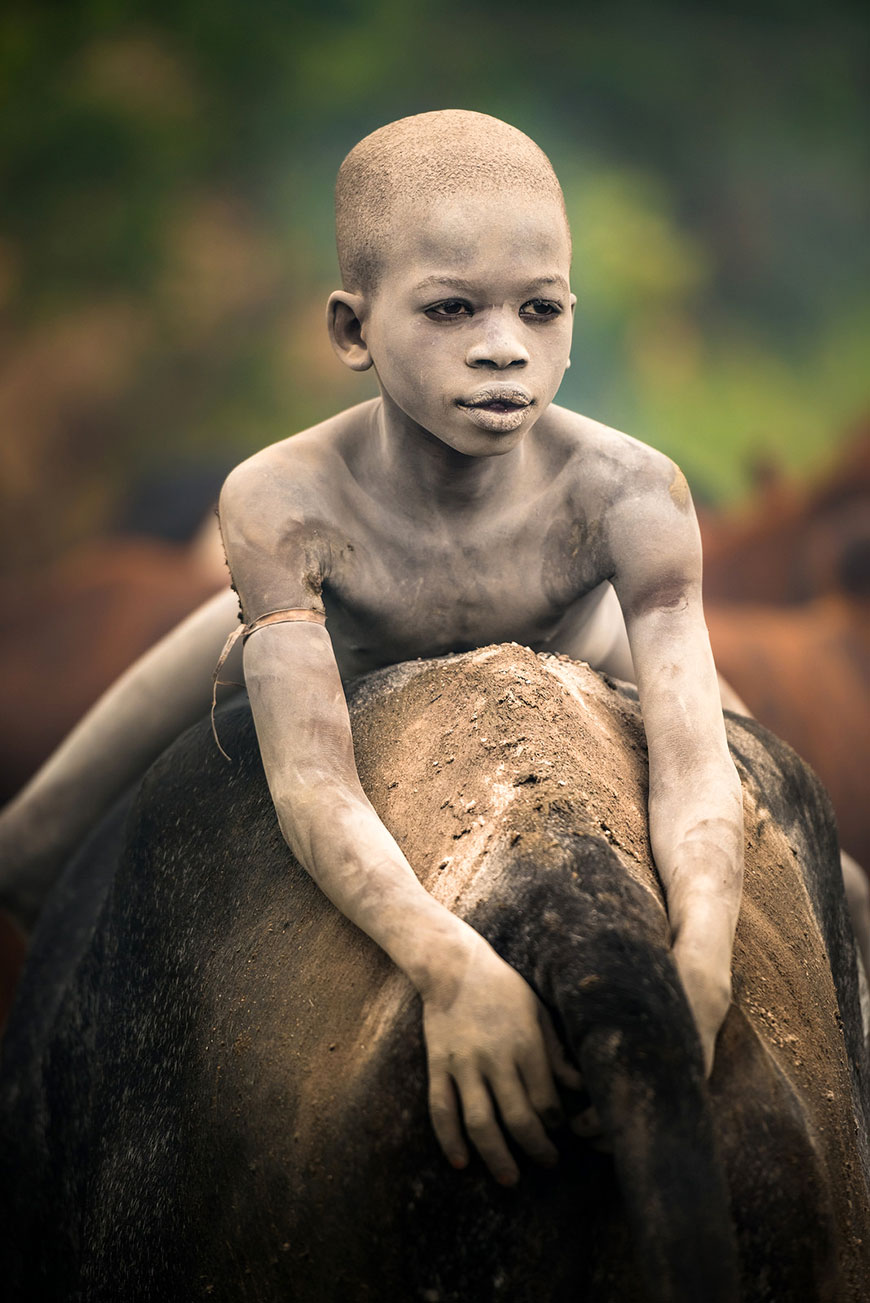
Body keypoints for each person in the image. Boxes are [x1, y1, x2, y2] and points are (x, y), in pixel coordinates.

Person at [0, 108, 791, 1187]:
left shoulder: (631, 490)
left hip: (581, 640)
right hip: (322, 642)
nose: (504, 344)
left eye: (539, 308)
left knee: (837, 881)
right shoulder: (280, 500)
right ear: (352, 329)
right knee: (32, 842)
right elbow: (313, 783)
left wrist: (703, 948)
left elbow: (696, 759)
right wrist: (448, 965)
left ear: (571, 316)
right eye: (453, 308)